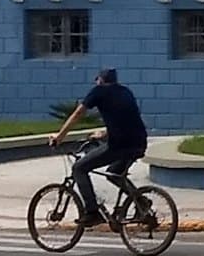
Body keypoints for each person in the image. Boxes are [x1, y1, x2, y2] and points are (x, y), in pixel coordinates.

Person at [49, 68, 149, 227]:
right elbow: (124, 119)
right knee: (114, 173)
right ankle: (141, 202)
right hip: (139, 143)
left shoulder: (99, 92)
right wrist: (103, 134)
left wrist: (59, 137)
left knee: (79, 168)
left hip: (118, 146)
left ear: (101, 80)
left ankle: (92, 212)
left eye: (97, 79)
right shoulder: (125, 91)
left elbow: (78, 114)